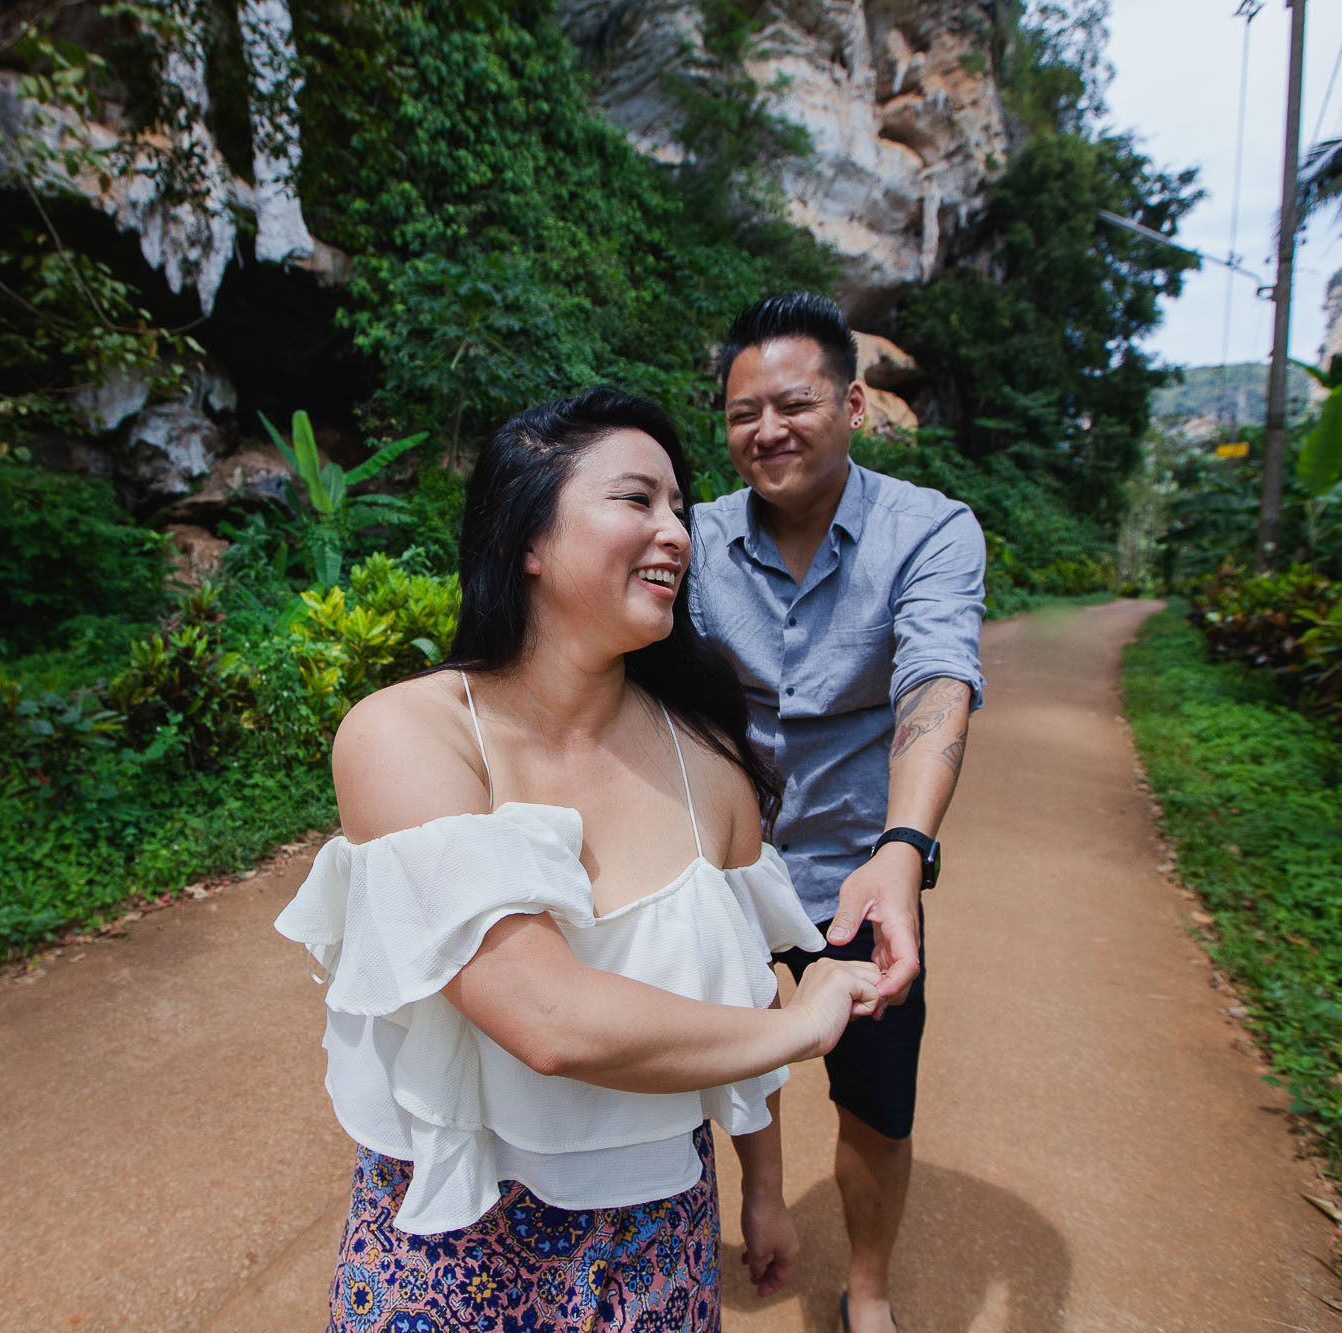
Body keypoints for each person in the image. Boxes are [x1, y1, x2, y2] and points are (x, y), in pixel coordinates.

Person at [276, 387, 890, 1332]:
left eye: (680, 506)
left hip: (657, 1238)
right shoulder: (407, 735)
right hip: (448, 1244)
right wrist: (810, 1026)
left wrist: (763, 1189)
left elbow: (746, 992)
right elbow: (546, 1017)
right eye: (637, 499)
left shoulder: (709, 765)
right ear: (528, 537)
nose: (676, 531)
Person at [688, 293, 987, 1333]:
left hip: (861, 872)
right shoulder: (692, 541)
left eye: (793, 404)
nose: (766, 430)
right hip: (729, 863)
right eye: (742, 413)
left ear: (853, 405)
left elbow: (936, 678)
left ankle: (866, 1285)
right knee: (738, 1045)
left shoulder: (929, 531)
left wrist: (903, 848)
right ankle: (764, 1198)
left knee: (873, 1097)